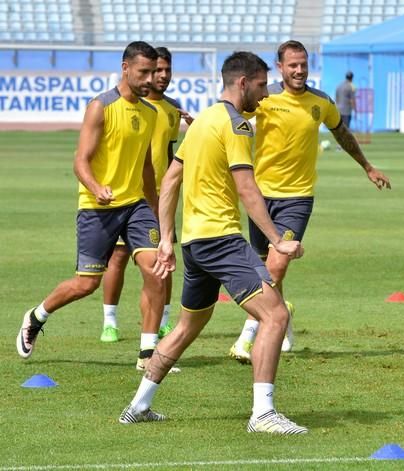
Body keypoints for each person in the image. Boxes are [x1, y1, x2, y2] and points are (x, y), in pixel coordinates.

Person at [119, 51, 308, 434]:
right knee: (275, 315)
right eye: (260, 85)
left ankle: (138, 405)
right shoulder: (235, 125)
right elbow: (246, 187)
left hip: (195, 242)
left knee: (189, 325)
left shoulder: (202, 120)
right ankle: (263, 413)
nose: (264, 93)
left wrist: (169, 239)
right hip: (221, 239)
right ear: (242, 83)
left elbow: (170, 180)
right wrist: (277, 240)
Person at [229, 40, 391, 362]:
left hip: (298, 197)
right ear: (280, 67)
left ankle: (246, 337)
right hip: (261, 195)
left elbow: (341, 133)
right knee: (267, 266)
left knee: (277, 262)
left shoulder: (320, 101)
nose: (299, 70)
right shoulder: (265, 97)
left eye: (303, 64)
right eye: (293, 65)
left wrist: (367, 166)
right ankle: (281, 316)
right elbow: (231, 114)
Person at [16, 42, 165, 370]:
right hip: (97, 208)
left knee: (156, 269)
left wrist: (158, 214)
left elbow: (146, 168)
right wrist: (97, 188)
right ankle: (37, 316)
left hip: (135, 205)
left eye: (153, 72)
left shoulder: (151, 112)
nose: (149, 79)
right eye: (143, 72)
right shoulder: (100, 106)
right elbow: (80, 161)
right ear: (125, 68)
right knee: (87, 283)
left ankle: (148, 353)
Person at [100, 46, 182, 345]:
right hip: (128, 196)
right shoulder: (128, 104)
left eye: (165, 70)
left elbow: (170, 153)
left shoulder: (173, 109)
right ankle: (110, 321)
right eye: (154, 70)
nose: (160, 76)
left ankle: (161, 322)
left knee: (165, 258)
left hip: (161, 197)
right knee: (118, 257)